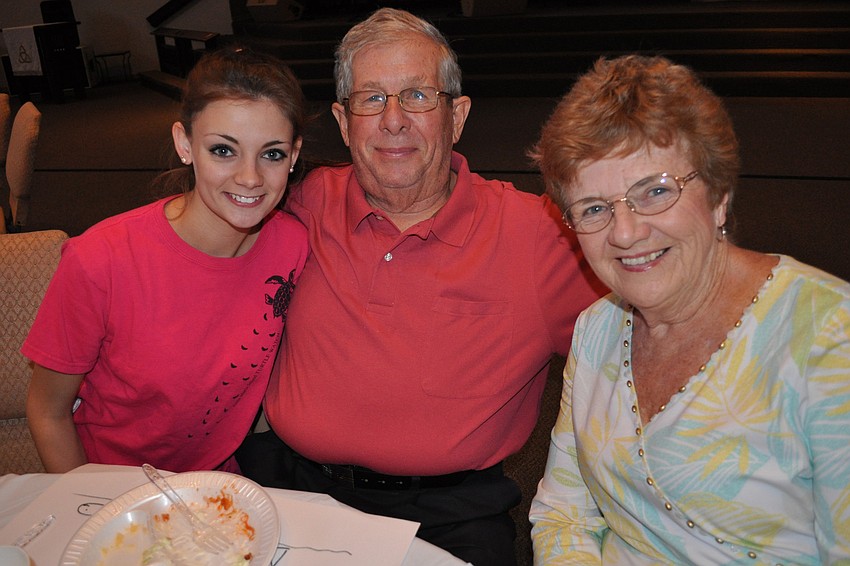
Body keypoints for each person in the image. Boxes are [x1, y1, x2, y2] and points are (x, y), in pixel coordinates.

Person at [234, 7, 603, 565]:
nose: (394, 120)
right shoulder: (301, 203)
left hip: (450, 517)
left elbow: (647, 344)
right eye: (372, 98)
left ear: (457, 115)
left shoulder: (539, 234)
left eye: (417, 96)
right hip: (289, 491)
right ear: (342, 120)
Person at [528, 54, 850, 564]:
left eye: (654, 191)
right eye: (594, 208)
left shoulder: (831, 339)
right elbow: (564, 515)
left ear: (719, 195)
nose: (626, 232)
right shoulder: (597, 330)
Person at [22, 45, 309, 474]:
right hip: (109, 488)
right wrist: (91, 511)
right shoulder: (101, 259)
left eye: (272, 154)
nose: (250, 177)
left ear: (294, 156)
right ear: (184, 144)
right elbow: (47, 412)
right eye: (223, 150)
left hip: (218, 486)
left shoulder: (293, 245)